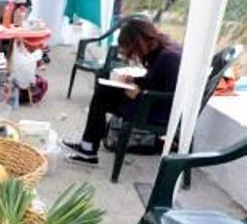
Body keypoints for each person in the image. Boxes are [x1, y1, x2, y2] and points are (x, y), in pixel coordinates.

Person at [64, 18, 183, 166]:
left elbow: (171, 97)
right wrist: (135, 81)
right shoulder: (162, 50)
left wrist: (139, 94)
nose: (131, 53)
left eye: (129, 47)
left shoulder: (169, 57)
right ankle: (88, 145)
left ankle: (88, 147)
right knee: (103, 90)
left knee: (103, 95)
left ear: (137, 42)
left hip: (159, 112)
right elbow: (157, 81)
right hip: (152, 102)